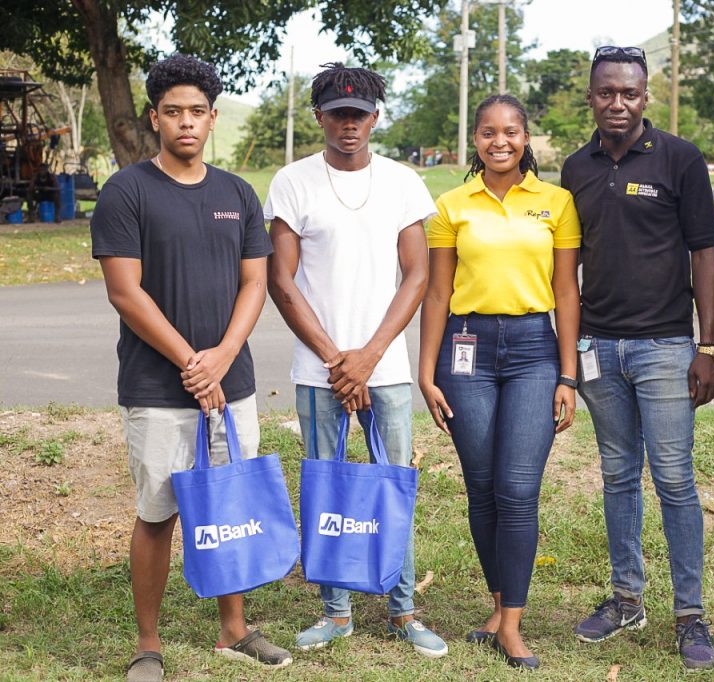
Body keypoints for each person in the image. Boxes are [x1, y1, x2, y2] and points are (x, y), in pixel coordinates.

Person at [90, 54, 291, 682]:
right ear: (155, 118)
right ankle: (148, 644)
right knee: (158, 512)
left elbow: (255, 281)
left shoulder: (236, 193)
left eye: (197, 112)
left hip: (231, 384)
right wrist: (188, 361)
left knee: (230, 505)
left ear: (212, 120)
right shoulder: (127, 191)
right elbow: (125, 290)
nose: (185, 122)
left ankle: (235, 628)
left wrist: (224, 356)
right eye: (173, 111)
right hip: (157, 386)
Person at [265, 62, 448, 659]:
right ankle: (336, 612)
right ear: (318, 117)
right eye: (339, 114)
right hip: (318, 370)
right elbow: (282, 281)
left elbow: (417, 275)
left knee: (392, 486)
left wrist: (368, 357)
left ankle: (403, 611)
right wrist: (334, 359)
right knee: (328, 486)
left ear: (376, 115)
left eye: (361, 113)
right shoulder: (293, 182)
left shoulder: (401, 182)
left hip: (387, 369)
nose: (351, 124)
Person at [560, 46, 714, 672]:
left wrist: (706, 346)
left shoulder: (680, 160)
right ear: (593, 96)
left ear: (646, 97)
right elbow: (566, 268)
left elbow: (703, 254)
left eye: (629, 93)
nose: (618, 103)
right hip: (598, 346)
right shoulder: (576, 167)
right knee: (618, 476)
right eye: (607, 92)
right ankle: (627, 597)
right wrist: (570, 351)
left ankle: (690, 613)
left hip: (664, 347)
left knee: (675, 479)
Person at [419, 94, 580, 670]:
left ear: (525, 136)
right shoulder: (451, 205)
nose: (500, 141)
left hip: (536, 350)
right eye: (488, 132)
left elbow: (566, 293)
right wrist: (425, 368)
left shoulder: (556, 203)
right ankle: (497, 606)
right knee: (482, 485)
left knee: (517, 489)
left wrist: (568, 373)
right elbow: (437, 293)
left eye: (510, 131)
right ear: (476, 141)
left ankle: (511, 624)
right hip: (467, 351)